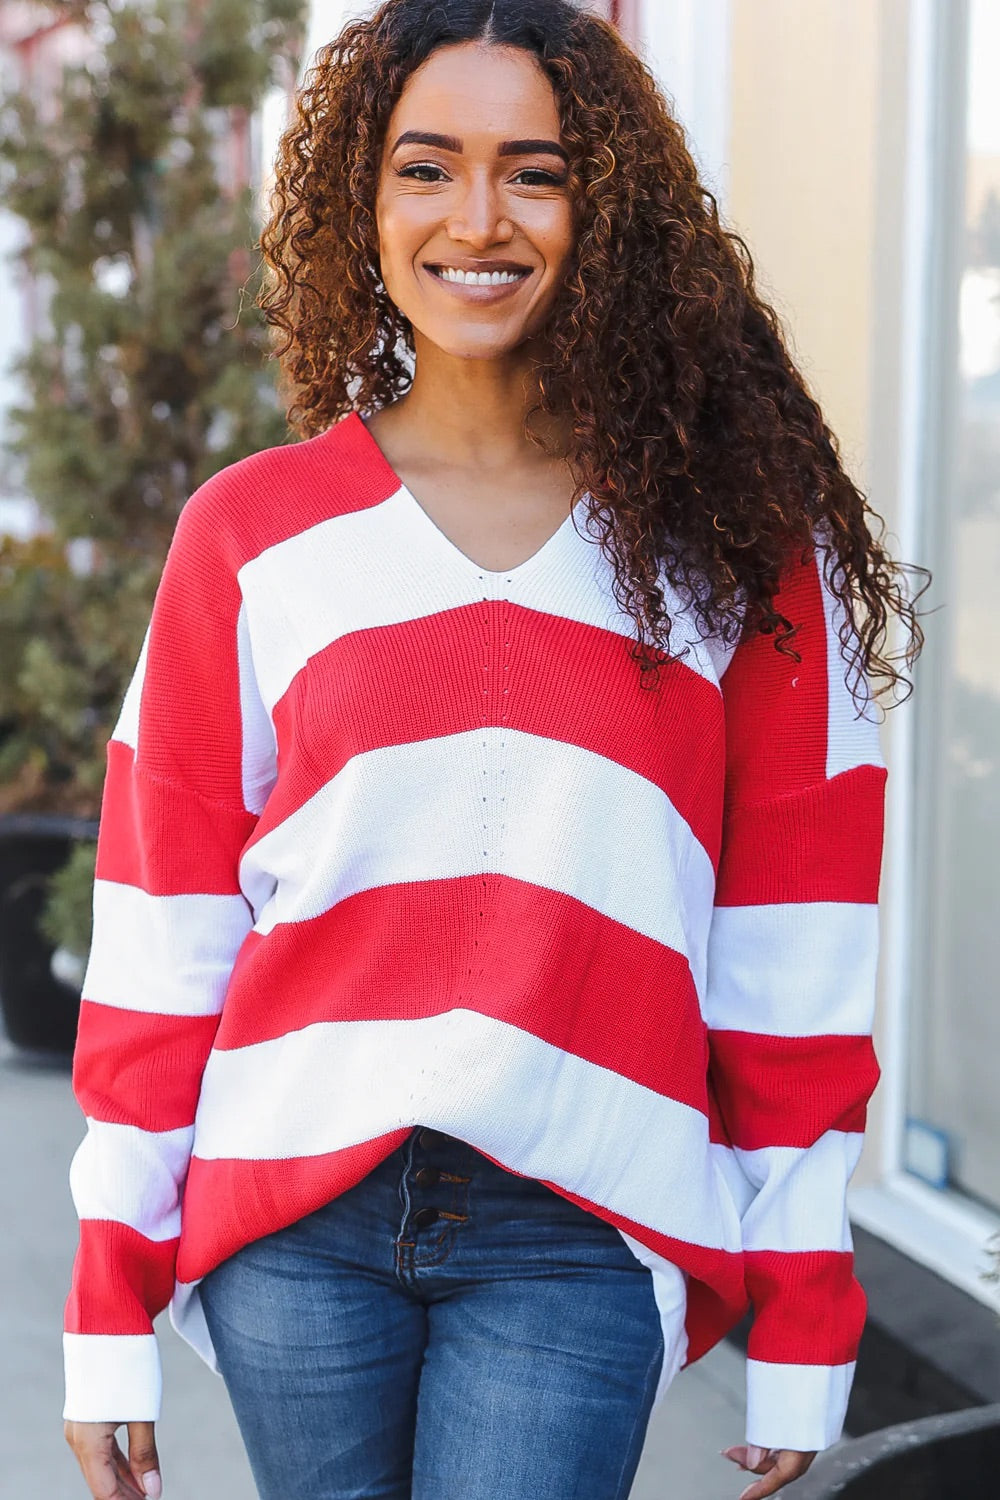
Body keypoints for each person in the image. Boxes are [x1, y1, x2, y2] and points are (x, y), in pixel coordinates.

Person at [62, 2, 927, 1498]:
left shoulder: (732, 549)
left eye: (535, 171)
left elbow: (792, 962)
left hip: (579, 1219)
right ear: (364, 200)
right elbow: (166, 931)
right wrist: (108, 1292)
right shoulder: (253, 538)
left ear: (608, 208)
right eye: (427, 168)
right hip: (293, 1223)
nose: (479, 219)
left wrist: (804, 1309)